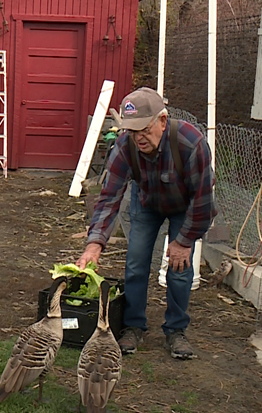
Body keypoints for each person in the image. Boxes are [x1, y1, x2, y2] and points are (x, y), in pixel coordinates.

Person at [76, 87, 217, 360]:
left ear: (162, 121)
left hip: (185, 207)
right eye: (132, 130)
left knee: (179, 268)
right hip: (147, 203)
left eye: (143, 128)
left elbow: (204, 202)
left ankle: (176, 330)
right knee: (136, 263)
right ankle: (133, 326)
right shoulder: (124, 146)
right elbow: (109, 198)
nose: (138, 137)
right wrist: (94, 244)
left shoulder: (191, 143)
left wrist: (184, 241)